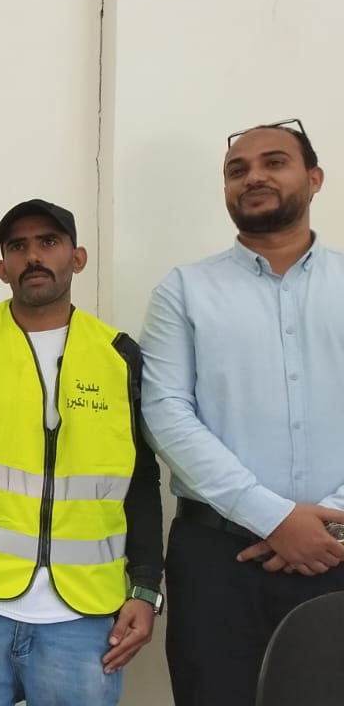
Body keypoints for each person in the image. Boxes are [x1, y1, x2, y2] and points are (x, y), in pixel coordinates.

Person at [0, 198, 163, 706]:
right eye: (18, 246)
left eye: (48, 242)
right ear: (2, 266)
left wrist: (145, 588)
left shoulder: (119, 356)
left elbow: (141, 482)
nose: (33, 256)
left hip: (85, 618)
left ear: (78, 257)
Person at [141, 119, 344, 705]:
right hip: (218, 560)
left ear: (314, 178)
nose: (253, 177)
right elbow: (165, 412)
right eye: (237, 170)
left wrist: (329, 523)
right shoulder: (184, 290)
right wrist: (275, 518)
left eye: (274, 162)